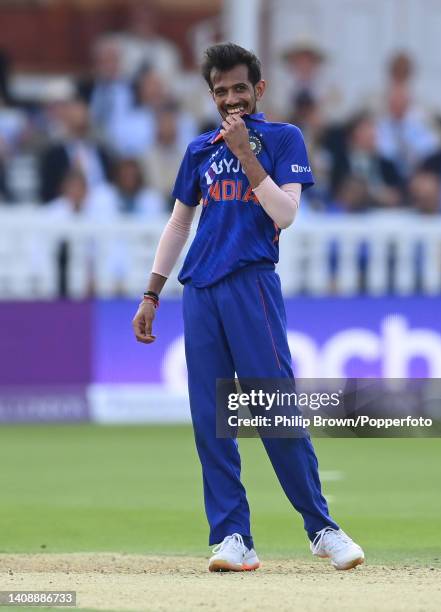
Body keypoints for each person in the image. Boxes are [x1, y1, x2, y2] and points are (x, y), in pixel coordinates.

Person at [132, 43, 364, 572]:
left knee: (273, 407)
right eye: (220, 91)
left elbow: (284, 215)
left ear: (259, 88)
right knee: (212, 419)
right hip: (200, 290)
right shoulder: (198, 150)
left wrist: (247, 155)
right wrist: (151, 292)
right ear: (210, 94)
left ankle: (322, 528)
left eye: (240, 88)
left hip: (252, 284)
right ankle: (233, 536)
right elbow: (178, 225)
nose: (231, 99)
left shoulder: (284, 139)